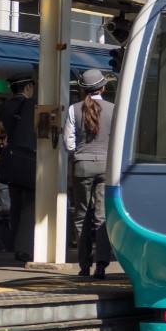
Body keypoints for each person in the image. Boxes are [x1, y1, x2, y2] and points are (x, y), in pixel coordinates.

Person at [65, 69, 114, 278]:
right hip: (105, 166)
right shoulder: (113, 109)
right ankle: (101, 265)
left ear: (83, 89)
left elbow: (69, 144)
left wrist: (80, 154)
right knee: (102, 216)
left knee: (81, 215)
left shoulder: (74, 109)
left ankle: (84, 266)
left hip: (82, 166)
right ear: (102, 87)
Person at [0, 71, 37, 264]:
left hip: (12, 162)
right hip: (29, 160)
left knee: (16, 205)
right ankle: (24, 249)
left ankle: (16, 245)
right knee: (30, 206)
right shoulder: (32, 105)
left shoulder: (4, 107)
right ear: (28, 86)